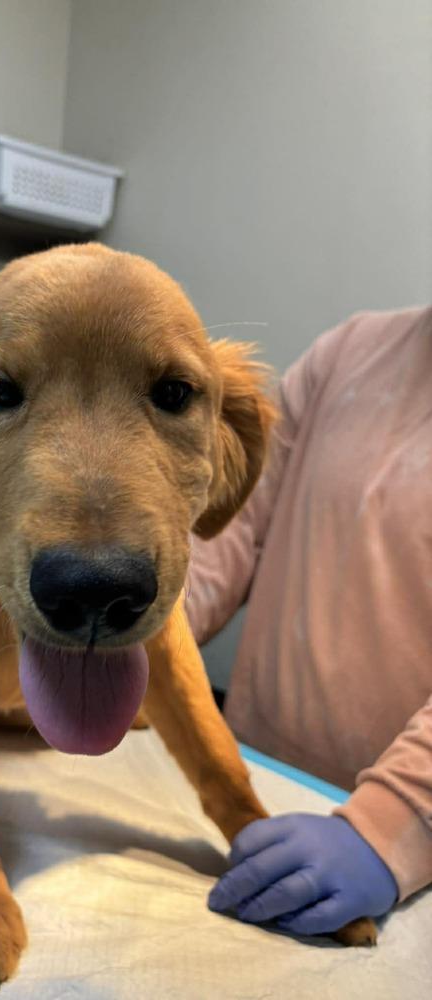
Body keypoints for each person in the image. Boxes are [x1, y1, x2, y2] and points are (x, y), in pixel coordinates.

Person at [186, 306, 432, 936]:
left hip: (404, 864)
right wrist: (146, 624)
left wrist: (396, 821)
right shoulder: (352, 350)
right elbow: (231, 526)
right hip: (257, 789)